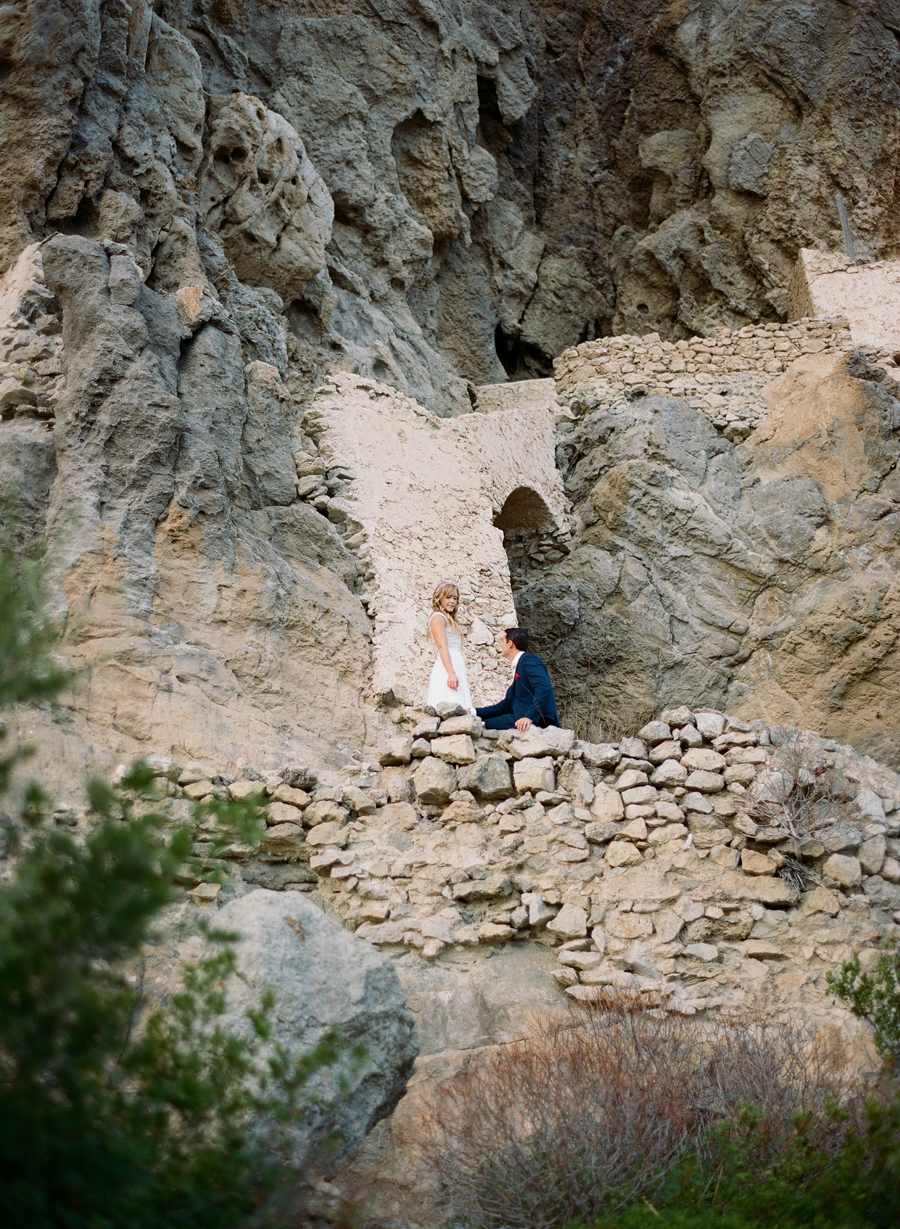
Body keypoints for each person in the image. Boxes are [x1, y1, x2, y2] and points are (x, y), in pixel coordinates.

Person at [476, 627, 559, 731]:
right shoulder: (521, 665)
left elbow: (543, 688)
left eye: (502, 641)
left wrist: (529, 717)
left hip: (539, 722)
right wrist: (474, 713)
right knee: (479, 723)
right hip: (517, 717)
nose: (501, 645)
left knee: (481, 726)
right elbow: (504, 707)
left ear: (510, 643)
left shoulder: (529, 661)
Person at [426, 582, 474, 713]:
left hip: (455, 663)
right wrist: (451, 673)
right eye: (448, 597)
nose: (452, 601)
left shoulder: (447, 618)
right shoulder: (438, 617)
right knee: (450, 700)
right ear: (439, 598)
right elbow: (442, 646)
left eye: (455, 598)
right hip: (448, 665)